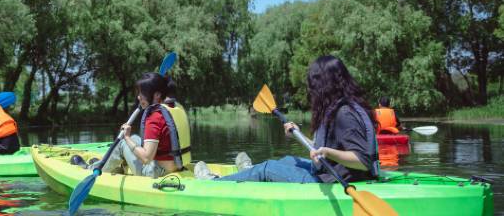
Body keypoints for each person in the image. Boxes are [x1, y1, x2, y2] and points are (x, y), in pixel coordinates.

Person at [202, 55, 379, 183]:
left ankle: (215, 183)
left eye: (313, 84)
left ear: (323, 84)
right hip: (333, 172)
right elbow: (323, 148)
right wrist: (298, 135)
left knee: (267, 168)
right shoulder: (346, 106)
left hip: (335, 180)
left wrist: (327, 153)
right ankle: (248, 173)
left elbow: (363, 161)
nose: (310, 89)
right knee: (287, 160)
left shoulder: (344, 113)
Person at [74, 72, 191, 178]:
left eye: (142, 93)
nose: (139, 97)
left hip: (155, 172)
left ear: (157, 95)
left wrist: (126, 137)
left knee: (123, 143)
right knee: (134, 138)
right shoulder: (175, 108)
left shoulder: (155, 117)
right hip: (177, 166)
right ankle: (111, 166)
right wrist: (130, 139)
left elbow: (146, 158)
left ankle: (92, 169)